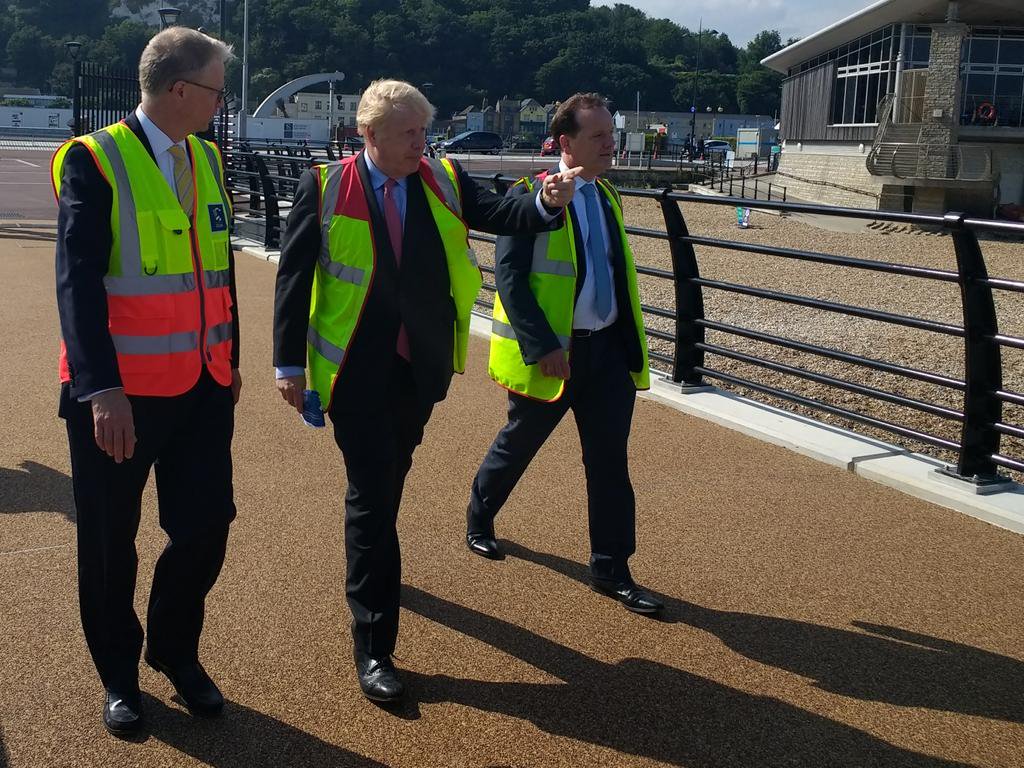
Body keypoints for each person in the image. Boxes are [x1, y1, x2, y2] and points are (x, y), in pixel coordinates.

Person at [273, 79, 578, 703]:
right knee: (373, 495)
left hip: (420, 369)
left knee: (389, 481)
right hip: (356, 370)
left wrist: (546, 201)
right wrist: (288, 365)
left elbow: (501, 214)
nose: (423, 142)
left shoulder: (440, 177)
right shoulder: (326, 186)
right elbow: (295, 277)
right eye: (410, 133)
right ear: (370, 135)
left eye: (424, 131)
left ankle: (375, 561)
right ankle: (375, 643)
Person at [53, 27, 239, 736]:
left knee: (206, 528)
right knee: (109, 542)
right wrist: (100, 390)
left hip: (202, 384)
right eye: (217, 90)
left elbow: (214, 272)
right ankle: (120, 675)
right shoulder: (95, 161)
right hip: (119, 396)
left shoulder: (209, 158)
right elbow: (77, 286)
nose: (222, 103)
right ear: (180, 90)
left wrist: (232, 362)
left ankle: (172, 650)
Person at [465, 92, 663, 616]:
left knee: (609, 465)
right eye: (597, 137)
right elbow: (508, 279)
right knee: (519, 443)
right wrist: (544, 346)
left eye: (610, 135)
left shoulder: (609, 198)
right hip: (557, 355)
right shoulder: (531, 194)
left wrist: (624, 348)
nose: (610, 145)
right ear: (565, 143)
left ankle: (612, 569)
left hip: (607, 356)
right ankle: (479, 514)